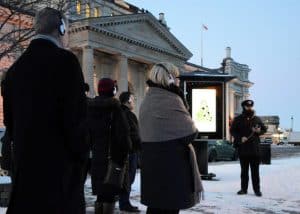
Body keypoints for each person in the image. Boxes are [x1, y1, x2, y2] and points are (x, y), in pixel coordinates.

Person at [2, 7, 88, 213]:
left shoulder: (15, 70)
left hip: (26, 175)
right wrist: (81, 163)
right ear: (61, 29)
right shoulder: (66, 62)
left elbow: (10, 124)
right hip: (59, 174)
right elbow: (76, 121)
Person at [139, 62, 203, 214]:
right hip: (171, 167)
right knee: (168, 208)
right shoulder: (170, 99)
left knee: (155, 207)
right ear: (168, 78)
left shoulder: (147, 99)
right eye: (176, 77)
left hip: (152, 165)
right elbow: (190, 133)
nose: (178, 80)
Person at [87, 78, 130, 214]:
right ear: (112, 90)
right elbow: (123, 134)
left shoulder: (90, 108)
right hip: (113, 158)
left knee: (101, 194)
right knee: (110, 195)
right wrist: (127, 150)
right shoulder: (115, 108)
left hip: (96, 157)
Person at [230, 99, 267, 197]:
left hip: (255, 150)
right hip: (243, 149)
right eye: (247, 106)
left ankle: (257, 190)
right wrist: (240, 137)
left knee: (255, 172)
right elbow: (232, 131)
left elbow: (264, 129)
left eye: (251, 106)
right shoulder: (238, 119)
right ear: (244, 107)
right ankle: (243, 189)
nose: (249, 108)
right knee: (244, 172)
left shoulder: (257, 119)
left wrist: (259, 131)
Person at [118, 92, 141, 213]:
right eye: (133, 98)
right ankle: (124, 203)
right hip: (130, 151)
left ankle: (124, 202)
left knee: (126, 179)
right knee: (128, 179)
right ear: (128, 101)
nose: (134, 101)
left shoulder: (120, 113)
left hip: (126, 150)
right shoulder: (128, 115)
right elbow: (134, 134)